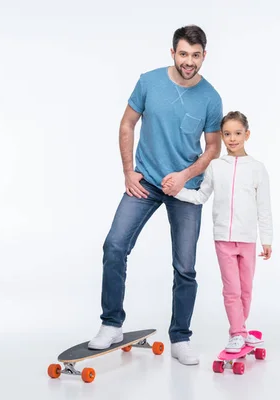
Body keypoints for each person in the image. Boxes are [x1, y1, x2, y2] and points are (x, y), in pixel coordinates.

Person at [87, 25, 223, 366]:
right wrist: (128, 170)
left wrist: (184, 177)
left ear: (204, 56)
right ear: (172, 52)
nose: (188, 61)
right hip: (145, 181)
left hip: (185, 189)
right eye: (183, 54)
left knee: (185, 267)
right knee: (114, 245)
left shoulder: (210, 97)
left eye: (195, 55)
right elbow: (127, 124)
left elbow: (212, 149)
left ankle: (180, 337)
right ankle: (112, 323)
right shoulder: (148, 82)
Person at [163, 111, 273, 353]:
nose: (232, 139)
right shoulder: (215, 166)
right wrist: (177, 190)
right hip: (223, 238)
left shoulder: (257, 168)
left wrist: (267, 239)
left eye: (237, 133)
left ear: (247, 134)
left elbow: (264, 207)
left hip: (247, 240)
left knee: (246, 289)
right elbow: (201, 196)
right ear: (221, 136)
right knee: (231, 289)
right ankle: (236, 333)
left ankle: (242, 330)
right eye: (227, 134)